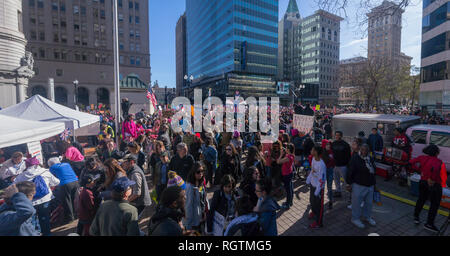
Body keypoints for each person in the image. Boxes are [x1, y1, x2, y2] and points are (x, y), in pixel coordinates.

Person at [14, 157, 60, 236]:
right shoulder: (45, 172)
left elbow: (14, 186)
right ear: (37, 164)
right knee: (45, 218)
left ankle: (36, 234)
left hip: (30, 201)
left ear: (26, 165)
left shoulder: (21, 176)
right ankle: (47, 234)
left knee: (32, 221)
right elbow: (56, 182)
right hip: (45, 199)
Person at [410, 145, 444, 232]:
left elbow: (411, 163)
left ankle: (416, 216)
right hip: (434, 184)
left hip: (422, 182)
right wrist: (431, 178)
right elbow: (436, 170)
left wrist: (418, 170)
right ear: (436, 153)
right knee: (434, 204)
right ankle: (429, 223)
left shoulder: (422, 158)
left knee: (421, 199)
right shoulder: (439, 161)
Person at [347, 143, 377, 229]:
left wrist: (374, 184)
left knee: (369, 203)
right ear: (360, 150)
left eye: (366, 150)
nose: (364, 151)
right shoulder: (356, 158)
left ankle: (367, 217)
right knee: (356, 203)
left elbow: (374, 172)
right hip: (358, 185)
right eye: (363, 150)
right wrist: (349, 183)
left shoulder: (370, 158)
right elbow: (350, 171)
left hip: (369, 185)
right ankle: (355, 218)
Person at [48, 157, 79, 224]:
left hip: (65, 184)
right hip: (75, 182)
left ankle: (70, 218)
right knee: (73, 199)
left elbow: (51, 177)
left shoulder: (52, 168)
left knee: (67, 201)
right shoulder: (66, 164)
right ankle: (75, 215)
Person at [184, 161, 208, 233]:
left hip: (201, 216)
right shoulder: (190, 186)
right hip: (193, 221)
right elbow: (188, 206)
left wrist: (205, 212)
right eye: (198, 172)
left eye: (202, 171)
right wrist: (189, 225)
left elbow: (203, 199)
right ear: (193, 172)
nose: (200, 173)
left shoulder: (201, 183)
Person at [307, 146, 326, 229]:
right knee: (312, 201)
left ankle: (319, 223)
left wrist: (318, 190)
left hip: (319, 188)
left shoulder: (322, 165)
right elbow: (312, 170)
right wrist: (309, 179)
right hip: (313, 184)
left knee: (319, 206)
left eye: (312, 150)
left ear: (316, 152)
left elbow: (322, 179)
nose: (311, 150)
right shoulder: (313, 159)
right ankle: (314, 213)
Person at [331, 131, 351, 198]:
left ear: (341, 136)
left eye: (338, 135)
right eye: (336, 135)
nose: (336, 136)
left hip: (343, 166)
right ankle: (338, 191)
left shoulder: (345, 144)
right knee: (336, 180)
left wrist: (348, 165)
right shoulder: (333, 144)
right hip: (335, 165)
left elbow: (348, 156)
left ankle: (350, 194)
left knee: (346, 180)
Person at [277, 143, 295, 210]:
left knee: (288, 190)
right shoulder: (291, 155)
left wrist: (281, 154)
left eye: (286, 148)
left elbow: (278, 161)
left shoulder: (288, 157)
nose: (285, 149)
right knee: (290, 188)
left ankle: (288, 204)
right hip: (289, 173)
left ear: (288, 149)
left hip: (287, 175)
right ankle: (290, 202)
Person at [321, 140, 335, 209]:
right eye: (327, 145)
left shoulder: (332, 151)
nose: (328, 146)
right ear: (324, 145)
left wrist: (332, 166)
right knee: (321, 187)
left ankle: (330, 201)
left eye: (329, 144)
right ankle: (320, 201)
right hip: (323, 171)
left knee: (329, 186)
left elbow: (333, 161)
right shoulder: (321, 153)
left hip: (330, 170)